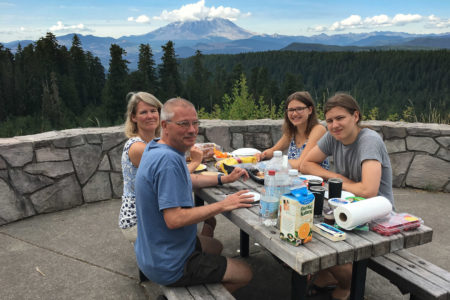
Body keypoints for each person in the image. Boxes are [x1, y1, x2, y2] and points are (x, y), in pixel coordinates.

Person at [134, 97, 253, 292]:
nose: (192, 130)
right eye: (183, 124)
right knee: (245, 272)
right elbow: (174, 219)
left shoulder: (157, 147)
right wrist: (223, 204)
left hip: (151, 251)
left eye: (195, 123)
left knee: (215, 246)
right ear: (165, 125)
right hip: (170, 264)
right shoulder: (168, 161)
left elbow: (188, 179)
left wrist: (224, 179)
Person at [301, 93, 394, 300]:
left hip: (374, 215)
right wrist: (336, 177)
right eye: (330, 120)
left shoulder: (368, 140)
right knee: (303, 230)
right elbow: (306, 164)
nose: (334, 125)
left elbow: (369, 190)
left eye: (340, 118)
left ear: (355, 116)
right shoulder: (333, 136)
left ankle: (346, 287)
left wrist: (340, 182)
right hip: (345, 206)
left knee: (321, 243)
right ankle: (327, 276)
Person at [118, 92, 204, 243]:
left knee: (200, 226)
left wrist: (223, 178)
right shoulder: (137, 147)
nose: (150, 116)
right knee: (189, 222)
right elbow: (173, 172)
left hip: (148, 211)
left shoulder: (153, 142)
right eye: (143, 112)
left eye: (153, 111)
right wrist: (195, 163)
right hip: (137, 220)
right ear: (133, 117)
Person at [257, 91, 329, 170]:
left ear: (310, 110)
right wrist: (261, 155)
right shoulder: (292, 132)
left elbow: (301, 163)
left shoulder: (318, 129)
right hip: (295, 179)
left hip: (317, 181)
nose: (294, 114)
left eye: (299, 109)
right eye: (291, 110)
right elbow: (274, 151)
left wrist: (275, 162)